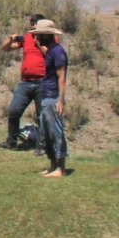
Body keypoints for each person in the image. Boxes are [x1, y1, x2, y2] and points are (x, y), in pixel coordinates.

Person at [0, 14, 48, 154]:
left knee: (42, 115)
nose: (33, 26)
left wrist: (39, 43)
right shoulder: (26, 38)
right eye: (32, 24)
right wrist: (10, 39)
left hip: (42, 83)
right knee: (14, 111)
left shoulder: (49, 38)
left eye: (36, 24)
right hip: (25, 83)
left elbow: (51, 54)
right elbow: (5, 48)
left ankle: (42, 145)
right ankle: (11, 142)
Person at [30, 19, 69, 178]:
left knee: (55, 132)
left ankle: (60, 168)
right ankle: (53, 165)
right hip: (46, 95)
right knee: (46, 132)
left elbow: (61, 76)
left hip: (53, 96)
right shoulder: (51, 51)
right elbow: (47, 53)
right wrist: (38, 45)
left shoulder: (58, 52)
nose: (37, 37)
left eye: (39, 34)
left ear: (47, 35)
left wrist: (61, 100)